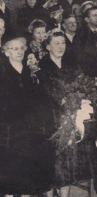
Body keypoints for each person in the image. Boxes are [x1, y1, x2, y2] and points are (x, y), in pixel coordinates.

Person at [0, 33, 55, 197]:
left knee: (29, 176)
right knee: (12, 178)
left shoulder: (30, 72)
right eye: (14, 49)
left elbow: (41, 98)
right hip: (11, 133)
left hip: (31, 130)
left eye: (21, 48)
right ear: (6, 52)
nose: (19, 52)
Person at [38, 28, 97, 197]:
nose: (60, 46)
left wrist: (83, 99)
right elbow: (47, 93)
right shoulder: (41, 67)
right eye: (56, 43)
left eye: (63, 42)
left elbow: (84, 86)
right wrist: (69, 100)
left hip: (74, 119)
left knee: (69, 164)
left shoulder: (72, 63)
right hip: (52, 120)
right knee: (55, 163)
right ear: (48, 46)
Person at [73, 6, 97, 77]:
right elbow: (81, 58)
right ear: (87, 19)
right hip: (90, 74)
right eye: (95, 15)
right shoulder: (81, 35)